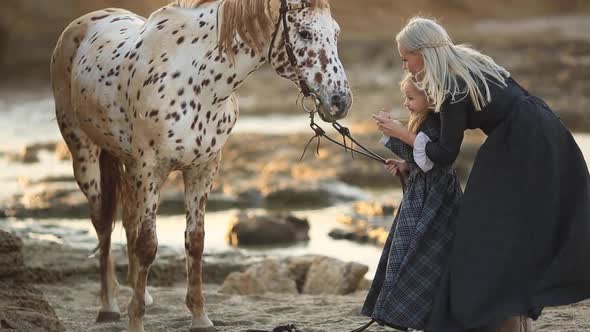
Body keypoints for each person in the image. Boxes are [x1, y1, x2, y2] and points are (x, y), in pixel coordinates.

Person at [372, 16, 590, 332]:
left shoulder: (450, 84)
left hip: (522, 143)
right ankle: (512, 317)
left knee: (485, 233)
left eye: (406, 59)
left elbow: (445, 155)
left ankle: (501, 318)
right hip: (541, 132)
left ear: (423, 52)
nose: (405, 67)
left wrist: (401, 134)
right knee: (505, 233)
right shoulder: (467, 63)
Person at [361, 74, 463, 331]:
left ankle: (416, 315)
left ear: (430, 98)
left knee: (421, 253)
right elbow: (421, 160)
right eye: (405, 97)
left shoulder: (437, 121)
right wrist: (405, 165)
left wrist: (400, 133)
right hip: (420, 196)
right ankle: (397, 313)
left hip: (435, 202)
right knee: (402, 250)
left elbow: (434, 160)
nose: (406, 103)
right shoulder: (422, 119)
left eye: (410, 98)